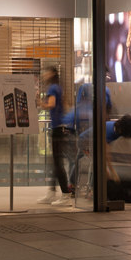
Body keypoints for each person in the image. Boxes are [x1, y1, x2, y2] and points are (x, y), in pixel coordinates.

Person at [38, 66, 73, 205]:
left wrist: (41, 103)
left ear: (52, 74)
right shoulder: (59, 87)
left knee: (57, 163)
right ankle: (51, 193)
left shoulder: (53, 88)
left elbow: (51, 104)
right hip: (61, 126)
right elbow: (65, 106)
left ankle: (65, 194)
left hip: (57, 128)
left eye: (46, 72)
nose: (44, 75)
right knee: (55, 162)